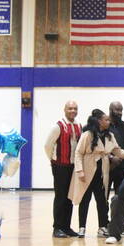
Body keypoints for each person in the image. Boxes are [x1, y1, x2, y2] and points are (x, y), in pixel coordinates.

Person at [68, 109, 124, 238]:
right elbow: (78, 153)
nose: (109, 122)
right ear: (99, 121)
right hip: (87, 172)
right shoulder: (87, 134)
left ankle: (102, 227)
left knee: (102, 201)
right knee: (84, 200)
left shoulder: (110, 136)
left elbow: (118, 152)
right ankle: (82, 227)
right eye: (106, 120)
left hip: (102, 173)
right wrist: (80, 170)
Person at [44, 100, 82, 238]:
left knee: (69, 197)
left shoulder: (78, 125)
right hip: (60, 166)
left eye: (75, 108)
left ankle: (66, 227)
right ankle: (57, 227)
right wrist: (53, 160)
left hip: (73, 166)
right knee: (60, 197)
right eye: (70, 108)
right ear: (64, 110)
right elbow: (47, 145)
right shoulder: (58, 126)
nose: (73, 111)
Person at [108, 101, 124, 199]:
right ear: (110, 110)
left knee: (120, 196)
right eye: (117, 110)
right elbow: (100, 147)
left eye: (121, 110)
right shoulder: (105, 125)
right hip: (107, 166)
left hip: (121, 165)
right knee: (103, 196)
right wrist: (111, 158)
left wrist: (119, 157)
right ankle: (104, 215)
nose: (120, 113)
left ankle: (118, 215)